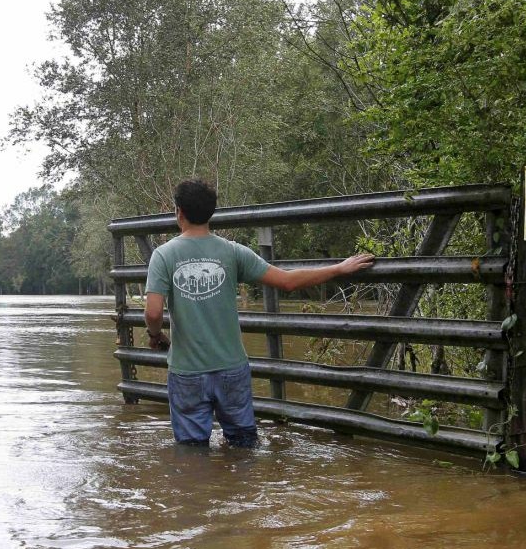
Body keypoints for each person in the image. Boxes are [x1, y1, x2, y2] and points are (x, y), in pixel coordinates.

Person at [144, 179, 375, 447]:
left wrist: (155, 334)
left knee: (191, 451)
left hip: (187, 372)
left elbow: (153, 312)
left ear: (179, 212)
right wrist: (338, 268)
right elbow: (288, 281)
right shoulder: (232, 252)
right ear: (211, 212)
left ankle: (201, 489)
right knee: (244, 446)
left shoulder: (163, 255)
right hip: (231, 368)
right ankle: (245, 488)